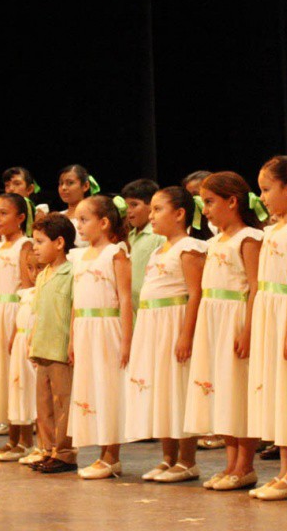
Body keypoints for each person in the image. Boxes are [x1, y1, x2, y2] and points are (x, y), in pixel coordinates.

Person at [184, 172, 264, 492]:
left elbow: (256, 286)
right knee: (222, 393)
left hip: (235, 319)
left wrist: (247, 329)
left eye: (210, 202)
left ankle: (245, 465)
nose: (205, 211)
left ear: (232, 202)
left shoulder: (249, 239)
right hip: (212, 319)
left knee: (238, 392)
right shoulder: (213, 242)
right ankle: (230, 463)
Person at [124, 186, 206, 483]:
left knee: (178, 389)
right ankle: (168, 457)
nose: (152, 214)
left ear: (180, 213)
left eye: (159, 209)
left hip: (174, 322)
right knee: (161, 390)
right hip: (152, 324)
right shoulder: (160, 249)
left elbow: (196, 294)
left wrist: (186, 334)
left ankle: (187, 460)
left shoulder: (190, 247)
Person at [247, 156, 287, 501]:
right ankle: (284, 469)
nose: (263, 197)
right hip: (267, 311)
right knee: (275, 390)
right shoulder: (271, 229)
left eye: (267, 189)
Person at [68, 195, 134, 479]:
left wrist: (127, 340)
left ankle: (111, 455)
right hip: (85, 328)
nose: (78, 226)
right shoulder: (79, 256)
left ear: (104, 222)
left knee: (108, 388)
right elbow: (75, 301)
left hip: (107, 328)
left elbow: (126, 298)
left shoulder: (115, 253)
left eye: (85, 220)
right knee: (90, 388)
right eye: (78, 220)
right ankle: (100, 453)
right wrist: (71, 338)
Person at [0, 193, 35, 460]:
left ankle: (25, 440)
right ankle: (12, 440)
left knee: (17, 378)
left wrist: (18, 328)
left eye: (4, 213)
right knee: (0, 378)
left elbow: (27, 287)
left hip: (14, 313)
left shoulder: (24, 245)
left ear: (21, 218)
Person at [28, 214, 78, 474]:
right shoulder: (43, 274)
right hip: (42, 347)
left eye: (39, 241)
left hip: (60, 349)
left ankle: (65, 452)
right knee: (44, 404)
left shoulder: (71, 273)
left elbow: (73, 311)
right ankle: (47, 449)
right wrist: (32, 340)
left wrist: (72, 343)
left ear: (59, 243)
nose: (34, 247)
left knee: (62, 402)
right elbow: (38, 312)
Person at [8, 247, 40, 460]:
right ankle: (24, 441)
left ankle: (42, 444)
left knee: (37, 395)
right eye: (30, 268)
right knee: (22, 390)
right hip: (21, 342)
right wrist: (13, 337)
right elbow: (19, 317)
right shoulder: (25, 293)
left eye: (39, 267)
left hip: (36, 345)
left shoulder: (46, 291)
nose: (34, 273)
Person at [121, 178, 166, 313]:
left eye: (134, 205)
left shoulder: (159, 236)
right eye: (126, 206)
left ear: (151, 206)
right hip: (130, 306)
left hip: (150, 306)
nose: (129, 211)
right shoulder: (128, 236)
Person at [58, 164, 97, 247]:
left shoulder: (94, 216)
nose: (63, 187)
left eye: (70, 183)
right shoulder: (57, 217)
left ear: (85, 186)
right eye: (61, 183)